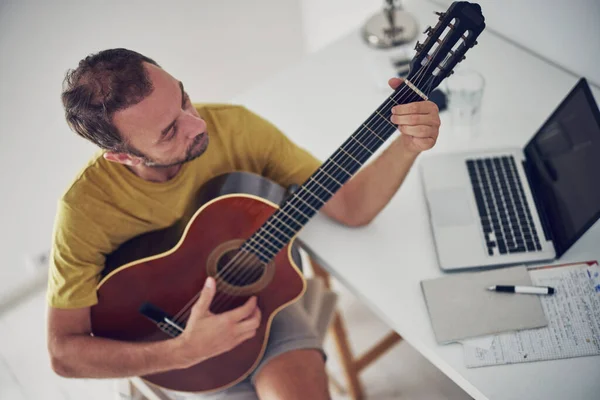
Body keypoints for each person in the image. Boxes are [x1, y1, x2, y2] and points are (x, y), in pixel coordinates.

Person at [46, 48, 440, 400]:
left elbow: (352, 208)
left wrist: (407, 145)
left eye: (184, 99)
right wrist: (181, 350)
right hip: (173, 349)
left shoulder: (237, 128)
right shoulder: (83, 209)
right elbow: (64, 353)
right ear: (123, 157)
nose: (197, 125)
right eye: (169, 132)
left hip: (261, 304)